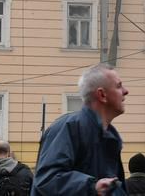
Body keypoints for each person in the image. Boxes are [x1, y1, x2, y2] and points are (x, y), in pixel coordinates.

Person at [32, 63, 128, 196]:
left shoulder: (110, 136)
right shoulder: (68, 127)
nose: (125, 91)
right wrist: (92, 187)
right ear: (102, 95)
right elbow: (47, 179)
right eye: (118, 86)